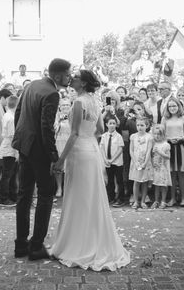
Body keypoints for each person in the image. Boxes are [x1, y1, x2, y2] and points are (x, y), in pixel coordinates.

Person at [48, 68, 131, 271]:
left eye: (75, 78)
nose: (72, 79)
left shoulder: (78, 102)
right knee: (91, 197)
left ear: (83, 83)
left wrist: (60, 161)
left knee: (79, 197)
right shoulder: (95, 102)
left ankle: (78, 245)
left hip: (79, 152)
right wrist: (88, 135)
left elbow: (74, 133)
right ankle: (93, 241)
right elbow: (101, 131)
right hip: (92, 151)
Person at [11, 57, 72, 261]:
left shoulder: (33, 85)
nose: (70, 77)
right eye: (67, 74)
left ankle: (20, 245)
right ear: (57, 75)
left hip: (24, 145)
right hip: (39, 150)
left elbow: (18, 113)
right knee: (47, 193)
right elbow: (46, 128)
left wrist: (21, 137)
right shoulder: (52, 93)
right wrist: (54, 156)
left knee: (24, 194)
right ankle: (36, 246)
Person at [162, 98, 184, 206]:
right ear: (167, 108)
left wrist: (181, 138)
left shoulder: (183, 118)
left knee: (181, 174)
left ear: (178, 106)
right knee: (172, 174)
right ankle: (173, 198)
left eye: (174, 106)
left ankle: (183, 199)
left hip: (181, 147)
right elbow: (162, 134)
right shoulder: (165, 119)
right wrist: (168, 139)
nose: (172, 108)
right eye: (170, 106)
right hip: (169, 147)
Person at [0, 95, 19, 206]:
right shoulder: (10, 118)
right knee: (7, 174)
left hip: (10, 147)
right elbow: (12, 136)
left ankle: (13, 195)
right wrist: (17, 152)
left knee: (12, 173)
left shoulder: (9, 115)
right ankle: (4, 198)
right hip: (10, 148)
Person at [99, 117, 125, 207]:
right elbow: (101, 148)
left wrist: (112, 159)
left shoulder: (118, 136)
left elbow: (120, 149)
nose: (112, 125)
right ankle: (111, 197)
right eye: (110, 123)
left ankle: (120, 199)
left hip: (117, 162)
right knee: (110, 181)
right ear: (106, 125)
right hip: (107, 162)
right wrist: (105, 159)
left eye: (114, 123)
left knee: (119, 180)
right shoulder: (104, 136)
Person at [128, 116, 153, 209]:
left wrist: (145, 163)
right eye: (138, 125)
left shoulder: (149, 137)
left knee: (144, 182)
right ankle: (136, 201)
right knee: (136, 182)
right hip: (136, 162)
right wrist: (135, 162)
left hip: (145, 162)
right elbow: (131, 150)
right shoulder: (133, 136)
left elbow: (149, 151)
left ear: (147, 126)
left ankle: (143, 201)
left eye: (142, 125)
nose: (139, 127)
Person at [53, 98, 72, 197]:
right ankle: (59, 187)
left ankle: (69, 187)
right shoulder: (56, 116)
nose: (65, 107)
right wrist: (59, 121)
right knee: (59, 165)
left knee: (70, 165)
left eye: (67, 105)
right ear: (60, 107)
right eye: (63, 105)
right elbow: (54, 130)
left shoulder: (73, 116)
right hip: (60, 141)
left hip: (70, 141)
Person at [150, 124, 172, 209]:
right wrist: (153, 163)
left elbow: (168, 156)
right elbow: (152, 155)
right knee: (156, 185)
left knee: (163, 185)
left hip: (163, 168)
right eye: (155, 134)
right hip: (156, 167)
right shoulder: (154, 144)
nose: (156, 136)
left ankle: (163, 201)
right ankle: (156, 200)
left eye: (159, 134)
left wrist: (159, 152)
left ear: (163, 135)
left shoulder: (166, 145)